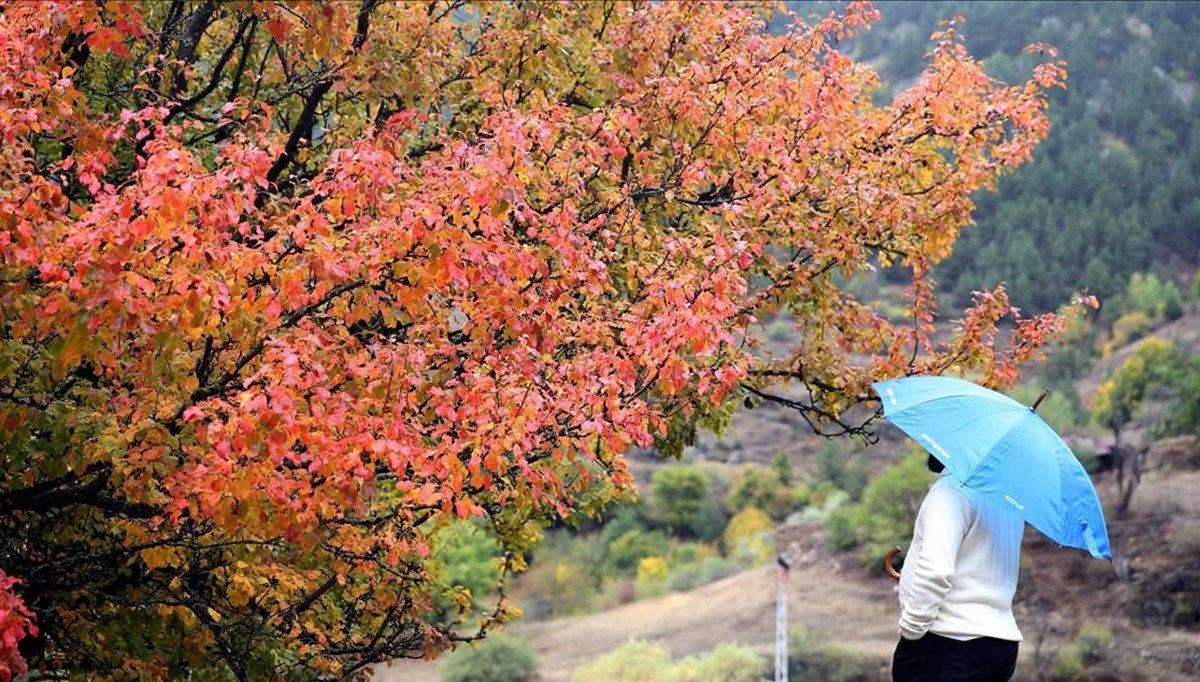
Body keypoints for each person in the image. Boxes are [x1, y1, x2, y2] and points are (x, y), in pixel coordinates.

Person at [891, 455, 1025, 682]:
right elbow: (978, 569)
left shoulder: (951, 492)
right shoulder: (1008, 499)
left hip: (947, 646)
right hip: (999, 646)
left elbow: (936, 571)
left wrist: (911, 629)